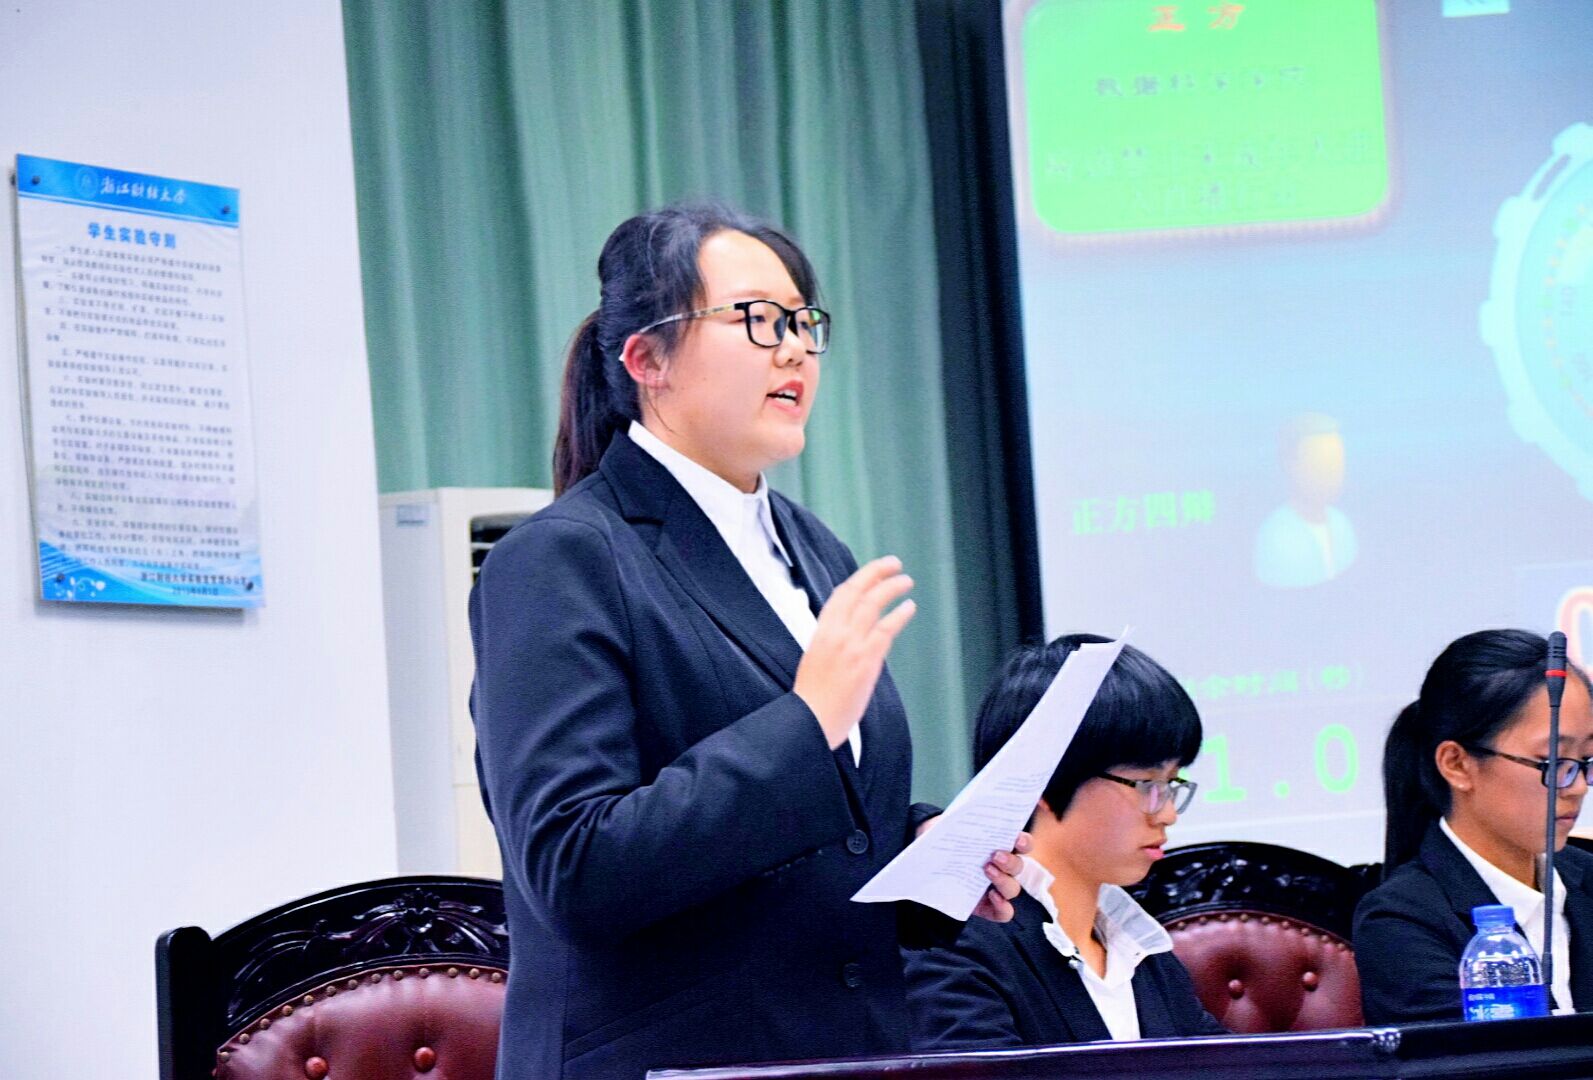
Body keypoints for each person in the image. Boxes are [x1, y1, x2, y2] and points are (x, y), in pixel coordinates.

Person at [468, 204, 1025, 1080]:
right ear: (647, 360)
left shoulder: (811, 545)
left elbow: (803, 851)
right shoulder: (560, 558)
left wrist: (928, 859)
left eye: (805, 322)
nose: (795, 349)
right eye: (759, 319)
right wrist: (806, 724)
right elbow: (576, 868)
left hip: (843, 1054)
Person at [907, 634, 1226, 1048]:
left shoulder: (1145, 953)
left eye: (1172, 784)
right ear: (1042, 778)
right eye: (1148, 784)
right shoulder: (955, 944)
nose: (1167, 813)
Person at [1354, 629, 1593, 1023]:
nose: (1578, 786)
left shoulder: (1586, 877)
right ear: (1457, 765)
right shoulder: (1400, 922)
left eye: (1586, 760)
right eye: (1554, 763)